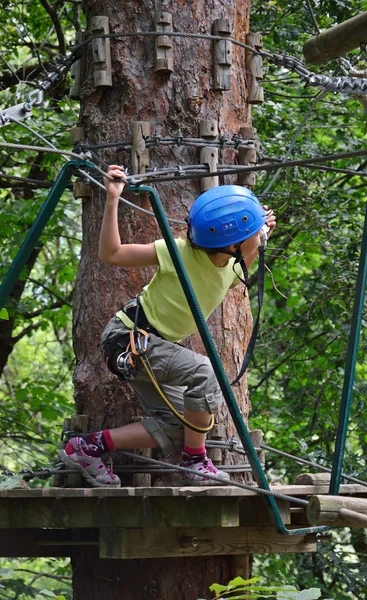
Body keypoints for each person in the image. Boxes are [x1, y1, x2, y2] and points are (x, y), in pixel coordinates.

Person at [59, 165, 276, 487]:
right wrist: (113, 199)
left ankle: (87, 447)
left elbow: (237, 275)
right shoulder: (177, 252)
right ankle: (195, 461)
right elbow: (112, 254)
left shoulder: (232, 262)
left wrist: (256, 238)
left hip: (153, 347)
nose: (261, 237)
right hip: (129, 339)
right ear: (232, 244)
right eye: (255, 235)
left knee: (180, 427)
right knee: (206, 372)